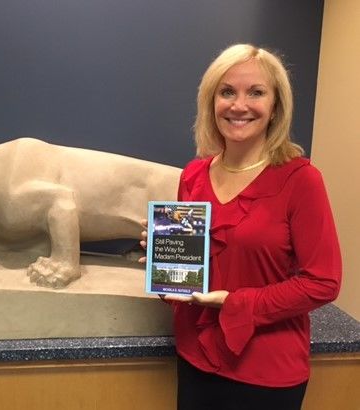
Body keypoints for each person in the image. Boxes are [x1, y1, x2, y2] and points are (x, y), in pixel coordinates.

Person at [140, 44, 341, 410]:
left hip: (266, 372)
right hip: (195, 358)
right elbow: (188, 280)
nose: (239, 105)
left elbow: (323, 282)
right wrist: (164, 262)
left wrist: (236, 303)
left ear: (276, 106)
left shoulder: (302, 180)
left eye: (256, 92)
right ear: (211, 100)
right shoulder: (194, 175)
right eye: (227, 91)